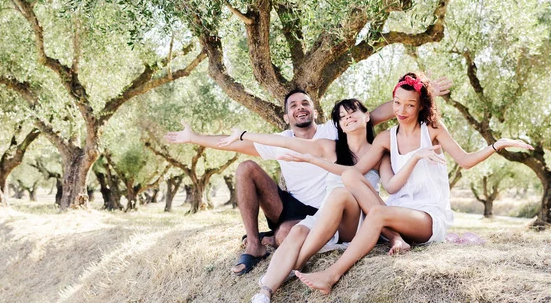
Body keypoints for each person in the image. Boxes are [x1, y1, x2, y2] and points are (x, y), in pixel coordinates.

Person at [279, 73, 533, 294]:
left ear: (421, 106)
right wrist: (310, 159)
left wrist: (497, 145)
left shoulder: (431, 130)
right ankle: (394, 237)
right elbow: (353, 172)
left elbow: (465, 161)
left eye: (409, 105)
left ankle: (331, 275)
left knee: (377, 214)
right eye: (397, 103)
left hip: (428, 215)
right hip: (396, 210)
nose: (401, 110)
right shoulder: (387, 137)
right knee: (350, 179)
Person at [164, 80, 451, 276]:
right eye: (293, 106)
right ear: (287, 116)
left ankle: (274, 242)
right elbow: (237, 143)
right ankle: (254, 243)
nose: (300, 107)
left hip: (328, 209)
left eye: (305, 103)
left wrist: (426, 93)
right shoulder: (281, 139)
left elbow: (379, 112)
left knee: (288, 235)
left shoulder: (334, 128)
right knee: (246, 167)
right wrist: (194, 138)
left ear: (313, 110)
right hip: (289, 204)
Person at [218, 99, 409, 303]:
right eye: (342, 117)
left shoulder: (379, 153)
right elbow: (284, 142)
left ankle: (294, 265)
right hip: (327, 216)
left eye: (352, 112)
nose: (348, 118)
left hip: (355, 222)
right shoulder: (330, 148)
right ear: (340, 125)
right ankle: (265, 292)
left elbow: (391, 186)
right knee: (298, 230)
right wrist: (243, 135)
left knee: (340, 193)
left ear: (367, 116)